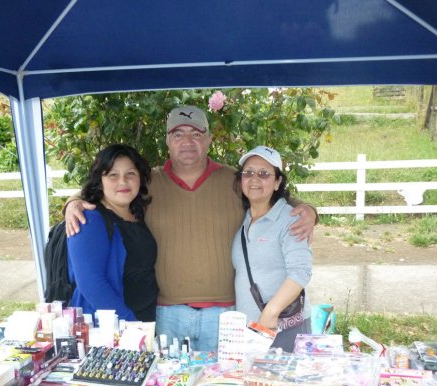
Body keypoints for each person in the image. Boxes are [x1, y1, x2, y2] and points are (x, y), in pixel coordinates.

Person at [65, 106, 317, 352]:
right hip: (167, 314)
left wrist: (309, 210)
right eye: (178, 134)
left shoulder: (233, 180)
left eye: (196, 134)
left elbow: (268, 193)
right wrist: (73, 202)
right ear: (167, 141)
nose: (187, 142)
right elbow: (108, 190)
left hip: (225, 314)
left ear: (208, 140)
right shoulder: (147, 183)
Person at [231, 146, 312, 352]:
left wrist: (271, 312)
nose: (254, 179)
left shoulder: (290, 218)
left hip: (284, 327)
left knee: (283, 384)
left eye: (264, 174)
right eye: (248, 173)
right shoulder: (243, 218)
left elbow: (301, 272)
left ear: (277, 182)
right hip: (252, 331)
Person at [67, 144, 158, 322]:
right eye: (112, 175)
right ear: (99, 181)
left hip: (145, 322)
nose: (123, 182)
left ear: (140, 178)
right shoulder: (89, 220)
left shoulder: (137, 214)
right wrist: (129, 323)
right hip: (113, 329)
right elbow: (92, 285)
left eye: (130, 174)